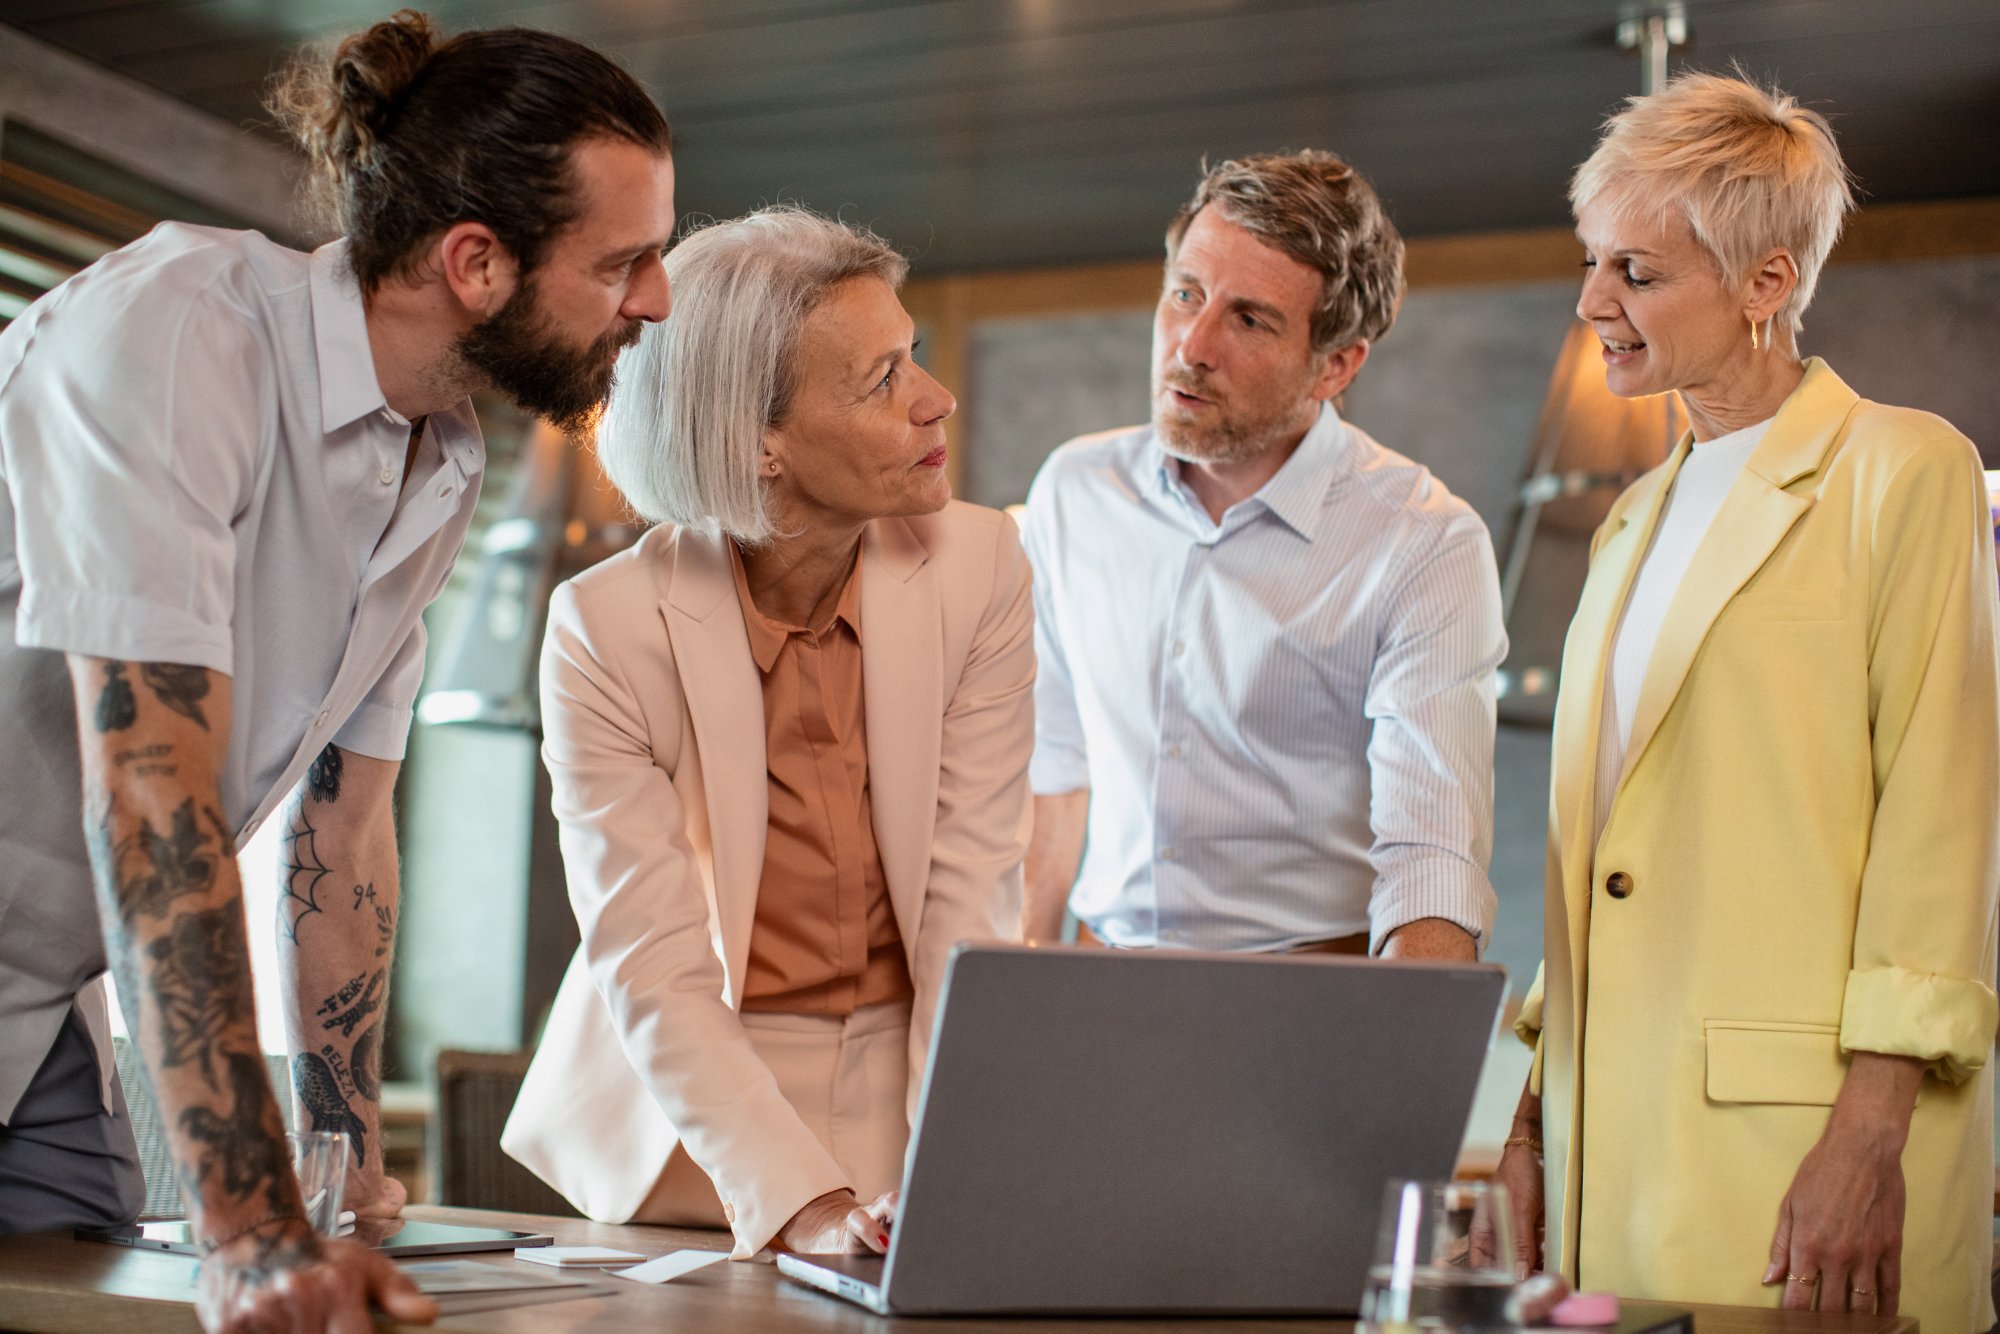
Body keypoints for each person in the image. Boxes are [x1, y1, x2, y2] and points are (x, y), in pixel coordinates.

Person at [0, 12, 674, 1330]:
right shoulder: (180, 333)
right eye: (625, 262)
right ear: (476, 261)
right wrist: (249, 1225)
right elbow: (150, 794)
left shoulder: (440, 461)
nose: (654, 298)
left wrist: (339, 1147)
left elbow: (345, 828)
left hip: (37, 1010)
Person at [1497, 72, 1998, 1333]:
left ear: (1766, 283)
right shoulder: (1624, 522)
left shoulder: (1905, 470)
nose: (1590, 302)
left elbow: (1941, 828)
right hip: (1601, 1151)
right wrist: (1525, 1099)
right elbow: (1598, 851)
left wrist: (1869, 1133)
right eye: (1589, 260)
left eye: (1634, 270)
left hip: (1800, 1159)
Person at [501, 206, 1033, 1260]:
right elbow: (649, 956)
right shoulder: (606, 627)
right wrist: (799, 1201)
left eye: (913, 355)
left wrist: (946, 1169)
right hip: (692, 1119)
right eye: (882, 379)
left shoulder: (981, 564)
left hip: (910, 1085)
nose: (936, 400)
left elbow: (974, 898)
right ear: (759, 440)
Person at [1020, 151, 1506, 961]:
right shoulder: (1075, 491)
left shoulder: (1424, 543)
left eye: (1249, 319)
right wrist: (1015, 994)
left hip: (1313, 996)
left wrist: (1408, 1062)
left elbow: (1430, 857)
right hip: (1099, 976)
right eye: (1186, 294)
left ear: (1336, 365)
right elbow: (1054, 768)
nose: (1192, 345)